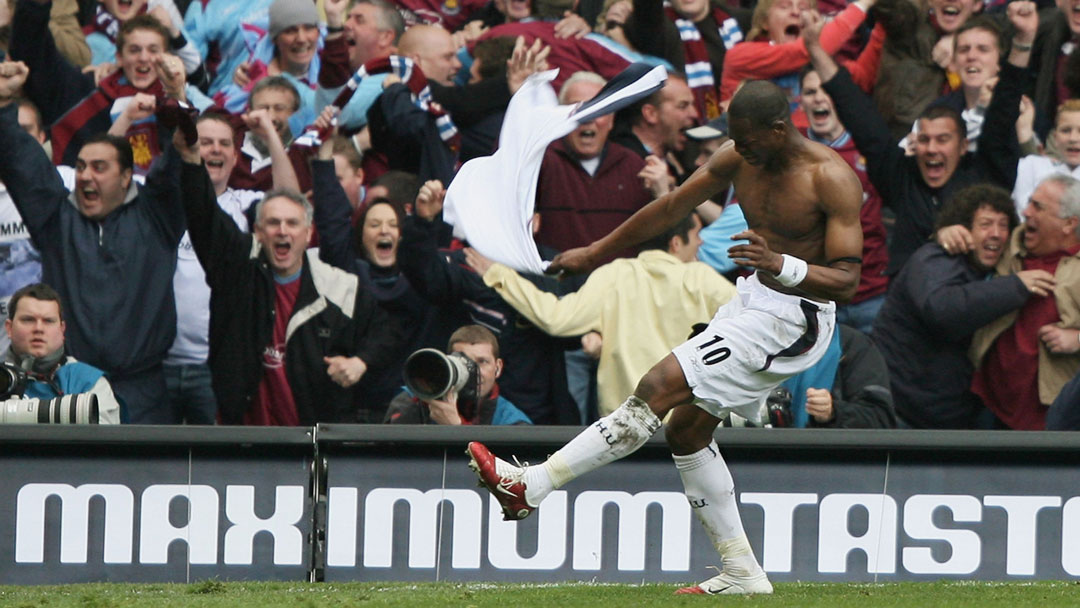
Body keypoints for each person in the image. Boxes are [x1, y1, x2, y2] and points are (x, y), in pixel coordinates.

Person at [467, 78, 864, 595]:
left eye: (747, 140)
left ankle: (531, 485)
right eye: (733, 139)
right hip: (753, 301)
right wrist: (594, 253)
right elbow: (672, 205)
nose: (738, 149)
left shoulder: (830, 177)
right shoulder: (738, 155)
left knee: (657, 386)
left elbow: (848, 282)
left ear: (779, 128)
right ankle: (743, 572)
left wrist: (779, 263)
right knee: (686, 431)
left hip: (798, 316)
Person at [174, 130, 403, 426]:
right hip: (240, 440)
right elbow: (204, 215)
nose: (282, 231)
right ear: (257, 231)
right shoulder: (236, 268)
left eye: (292, 223)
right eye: (273, 223)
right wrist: (192, 159)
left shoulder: (337, 285)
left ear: (308, 234)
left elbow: (388, 331)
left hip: (309, 442)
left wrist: (360, 362)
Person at [0, 90, 185, 423]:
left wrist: (177, 102)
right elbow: (22, 164)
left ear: (126, 176)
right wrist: (2, 106)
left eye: (99, 168)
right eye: (82, 166)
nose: (85, 176)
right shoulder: (56, 220)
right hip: (72, 386)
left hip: (144, 390)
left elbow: (177, 168)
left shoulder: (157, 218)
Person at [806, 3, 1032, 274]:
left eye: (942, 139)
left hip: (974, 305)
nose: (931, 149)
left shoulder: (985, 175)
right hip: (906, 308)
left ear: (963, 147)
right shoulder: (903, 178)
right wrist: (815, 50)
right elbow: (859, 114)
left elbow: (1003, 113)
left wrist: (1023, 41)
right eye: (923, 139)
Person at [468, 211, 736, 416]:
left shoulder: (614, 274)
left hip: (622, 426)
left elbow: (555, 318)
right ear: (676, 243)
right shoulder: (703, 280)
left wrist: (499, 275)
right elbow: (757, 322)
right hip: (687, 423)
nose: (701, 242)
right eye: (698, 234)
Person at [874, 184, 1046, 429]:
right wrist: (1015, 288)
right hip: (906, 413)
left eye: (1004, 225)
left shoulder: (1002, 268)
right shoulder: (933, 258)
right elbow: (943, 309)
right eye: (986, 224)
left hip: (961, 413)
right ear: (964, 230)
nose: (996, 234)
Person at [967, 174, 1080, 430]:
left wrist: (1077, 339)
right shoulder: (1010, 241)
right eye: (1029, 202)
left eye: (1038, 207)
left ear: (1068, 224)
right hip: (987, 402)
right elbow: (967, 233)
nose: (1026, 212)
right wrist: (945, 232)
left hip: (1049, 418)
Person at [534, 71, 659, 264]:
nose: (589, 116)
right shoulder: (540, 162)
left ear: (612, 119)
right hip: (557, 286)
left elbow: (662, 238)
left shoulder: (635, 167)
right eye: (577, 107)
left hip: (619, 288)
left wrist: (662, 194)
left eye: (599, 107)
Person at [799, 65, 888, 333]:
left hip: (873, 294)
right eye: (809, 92)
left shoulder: (870, 148)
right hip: (817, 299)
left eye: (825, 90)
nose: (818, 98)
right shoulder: (792, 154)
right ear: (800, 102)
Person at [3, 283, 121, 424]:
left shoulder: (88, 381)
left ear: (62, 330)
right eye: (28, 320)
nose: (38, 328)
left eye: (48, 321)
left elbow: (104, 441)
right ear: (9, 328)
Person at [384, 324, 532, 425]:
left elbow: (505, 470)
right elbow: (389, 455)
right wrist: (424, 397)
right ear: (449, 363)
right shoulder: (415, 397)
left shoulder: (512, 421)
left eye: (482, 362)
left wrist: (456, 429)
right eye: (464, 361)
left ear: (498, 367)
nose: (474, 371)